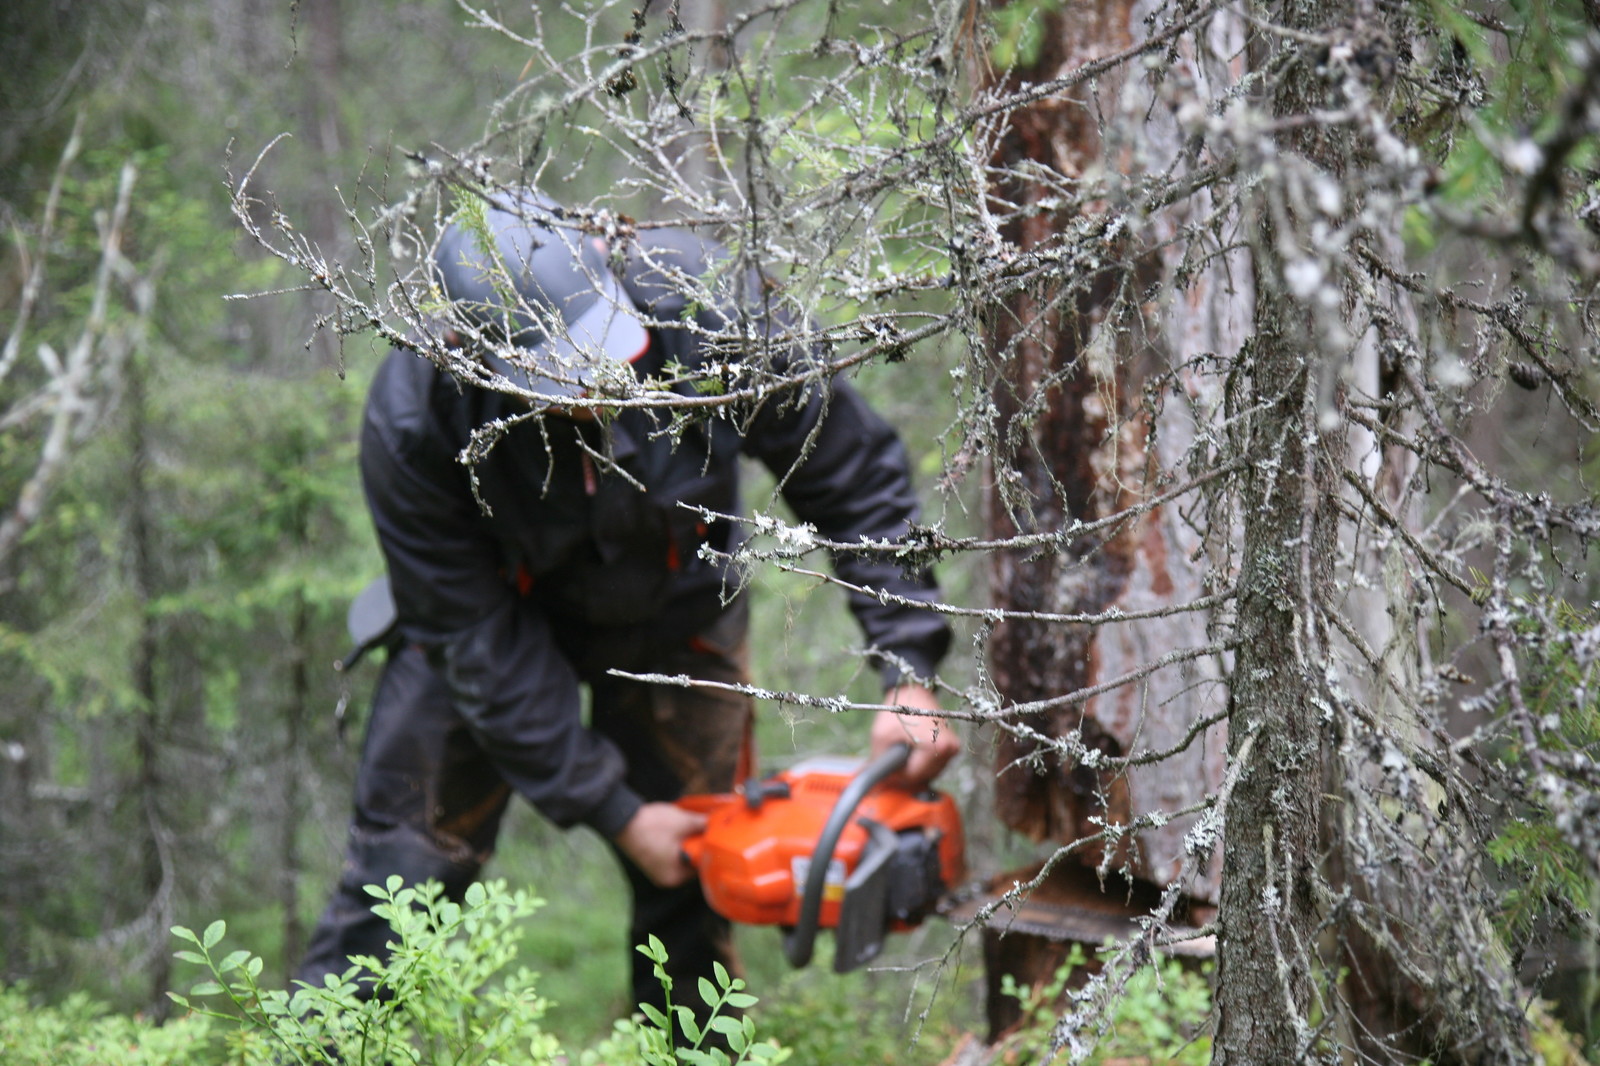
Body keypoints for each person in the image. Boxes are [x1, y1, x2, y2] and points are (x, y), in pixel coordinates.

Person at [297, 191, 959, 1021]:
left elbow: (851, 474)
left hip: (674, 610)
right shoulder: (415, 418)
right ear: (474, 353)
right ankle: (329, 1040)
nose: (597, 386)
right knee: (401, 879)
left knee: (696, 875)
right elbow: (470, 635)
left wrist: (907, 667)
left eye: (602, 351)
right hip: (491, 626)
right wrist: (614, 810)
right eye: (560, 373)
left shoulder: (711, 306)